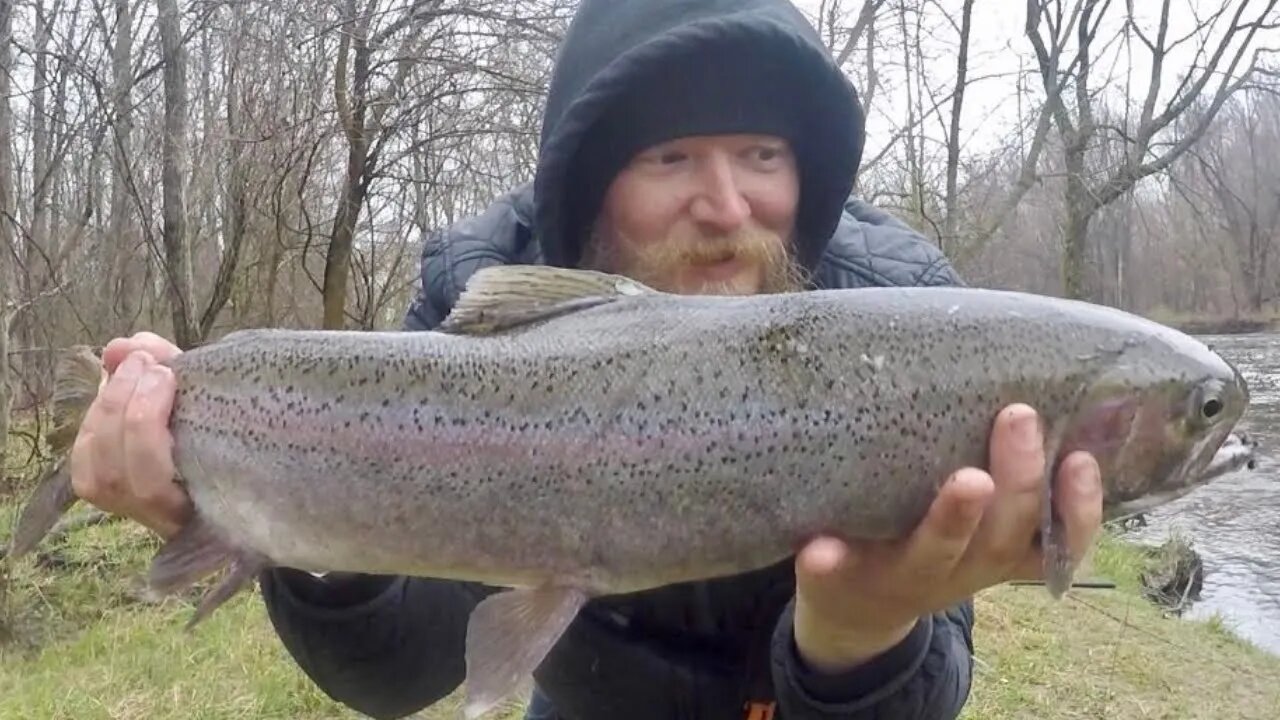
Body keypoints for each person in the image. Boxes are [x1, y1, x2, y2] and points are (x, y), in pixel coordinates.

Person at [67, 0, 1104, 718]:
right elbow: (399, 668)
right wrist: (268, 512)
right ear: (590, 183)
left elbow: (925, 692)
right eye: (668, 157)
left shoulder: (905, 323)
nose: (725, 205)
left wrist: (861, 633)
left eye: (760, 154)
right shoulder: (480, 314)